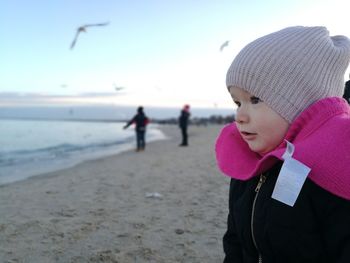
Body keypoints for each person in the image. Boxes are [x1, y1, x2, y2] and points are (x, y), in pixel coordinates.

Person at [215, 26, 350, 262]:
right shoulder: (247, 165)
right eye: (238, 102)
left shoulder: (334, 177)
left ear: (302, 103)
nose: (240, 116)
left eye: (255, 99)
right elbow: (235, 238)